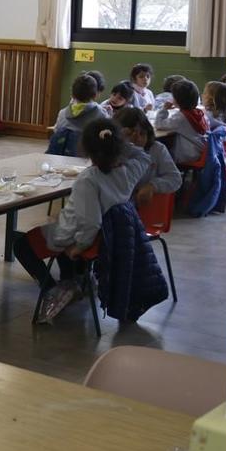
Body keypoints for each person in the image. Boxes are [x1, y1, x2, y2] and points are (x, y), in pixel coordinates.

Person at [12, 119, 150, 315]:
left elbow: (90, 222)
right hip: (107, 237)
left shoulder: (88, 180)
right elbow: (143, 155)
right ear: (119, 147)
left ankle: (54, 290)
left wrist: (79, 246)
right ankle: (73, 280)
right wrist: (118, 141)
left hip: (83, 237)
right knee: (58, 225)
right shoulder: (128, 172)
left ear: (86, 149)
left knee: (21, 244)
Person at [114, 107, 181, 206]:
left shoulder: (157, 149)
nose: (137, 138)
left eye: (142, 133)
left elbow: (175, 178)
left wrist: (152, 186)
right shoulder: (112, 153)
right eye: (129, 134)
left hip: (146, 209)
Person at [154, 78, 208, 165]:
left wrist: (164, 109)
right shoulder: (198, 112)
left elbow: (159, 124)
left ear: (178, 100)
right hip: (199, 150)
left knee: (159, 148)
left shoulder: (181, 118)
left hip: (189, 155)